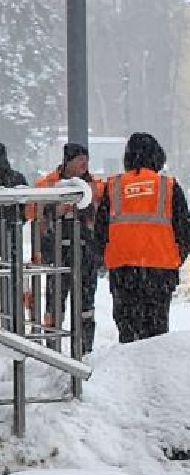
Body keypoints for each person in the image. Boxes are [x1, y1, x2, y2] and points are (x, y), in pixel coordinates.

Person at [93, 132, 190, 343]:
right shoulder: (168, 186)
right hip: (159, 270)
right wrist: (176, 258)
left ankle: (131, 370)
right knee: (156, 332)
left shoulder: (115, 186)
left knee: (128, 329)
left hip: (123, 269)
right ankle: (152, 371)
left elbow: (100, 228)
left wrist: (104, 257)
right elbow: (184, 227)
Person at [32, 144, 105, 352]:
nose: (84, 164)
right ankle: (51, 351)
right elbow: (36, 217)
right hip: (58, 254)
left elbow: (102, 220)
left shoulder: (95, 187)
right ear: (67, 162)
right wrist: (55, 211)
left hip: (86, 255)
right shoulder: (49, 185)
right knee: (54, 304)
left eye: (86, 159)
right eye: (79, 159)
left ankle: (84, 350)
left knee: (85, 307)